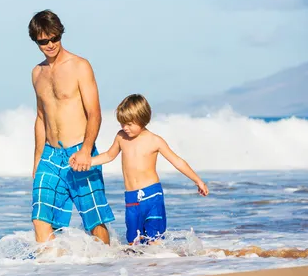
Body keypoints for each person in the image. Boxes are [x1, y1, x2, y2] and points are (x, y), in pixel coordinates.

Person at [72, 94, 209, 245]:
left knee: (154, 241)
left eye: (129, 124)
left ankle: (160, 265)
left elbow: (177, 161)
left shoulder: (154, 140)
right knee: (134, 243)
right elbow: (109, 156)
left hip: (152, 196)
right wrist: (87, 161)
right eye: (122, 124)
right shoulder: (121, 137)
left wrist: (198, 181)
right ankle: (138, 268)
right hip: (131, 198)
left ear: (142, 119)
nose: (125, 127)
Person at [28, 9, 115, 245]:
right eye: (43, 41)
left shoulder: (79, 66)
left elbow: (94, 113)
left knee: (94, 220)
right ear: (36, 41)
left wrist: (87, 150)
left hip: (79, 151)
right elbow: (40, 117)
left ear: (60, 34)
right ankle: (51, 270)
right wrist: (37, 159)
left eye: (54, 38)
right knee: (40, 217)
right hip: (50, 154)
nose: (50, 44)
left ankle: (107, 267)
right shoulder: (37, 73)